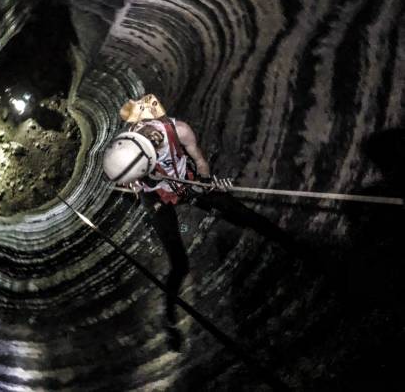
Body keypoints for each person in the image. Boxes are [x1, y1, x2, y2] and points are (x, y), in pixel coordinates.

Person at [105, 94, 291, 350]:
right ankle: (168, 317)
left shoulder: (179, 130)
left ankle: (291, 242)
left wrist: (204, 184)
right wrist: (142, 187)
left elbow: (200, 161)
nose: (155, 142)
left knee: (241, 214)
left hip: (187, 182)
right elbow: (125, 177)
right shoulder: (126, 153)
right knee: (179, 264)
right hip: (155, 195)